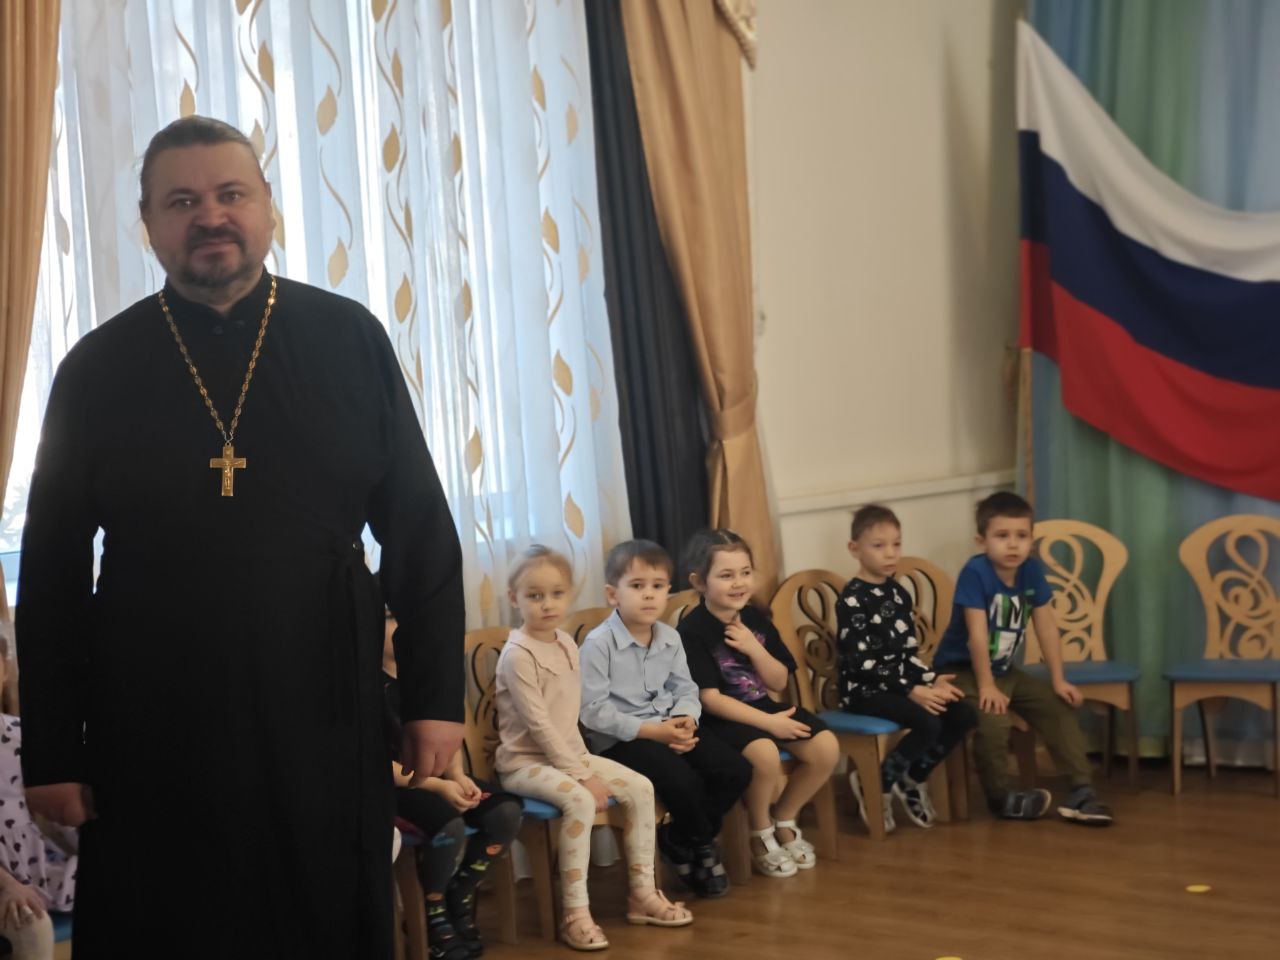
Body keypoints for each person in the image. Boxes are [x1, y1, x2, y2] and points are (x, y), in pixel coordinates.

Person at [15, 116, 466, 958]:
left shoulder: (349, 337)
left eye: (231, 194)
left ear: (267, 208)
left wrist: (437, 699)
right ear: (148, 224)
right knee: (168, 916)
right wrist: (52, 751)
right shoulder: (96, 368)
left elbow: (420, 530)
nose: (210, 216)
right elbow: (51, 575)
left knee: (323, 911)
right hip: (152, 714)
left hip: (323, 706)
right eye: (182, 201)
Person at [494, 546, 691, 951]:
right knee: (581, 801)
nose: (548, 604)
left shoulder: (567, 643)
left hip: (570, 757)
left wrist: (581, 764)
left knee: (641, 787)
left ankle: (642, 894)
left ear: (570, 595)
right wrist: (582, 775)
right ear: (514, 598)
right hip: (524, 764)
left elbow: (569, 719)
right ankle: (576, 914)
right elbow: (540, 726)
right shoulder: (518, 655)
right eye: (535, 595)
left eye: (557, 594)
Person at [579, 540, 751, 899]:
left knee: (735, 769)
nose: (649, 595)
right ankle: (703, 846)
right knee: (682, 779)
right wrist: (653, 732)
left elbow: (685, 687)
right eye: (637, 585)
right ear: (613, 594)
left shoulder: (670, 637)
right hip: (622, 740)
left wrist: (686, 717)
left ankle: (679, 837)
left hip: (669, 726)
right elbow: (593, 712)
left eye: (657, 586)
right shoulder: (598, 644)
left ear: (668, 592)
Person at [932, 492, 1113, 825]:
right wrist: (986, 686)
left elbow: (1046, 627)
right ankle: (1001, 797)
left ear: (1032, 538)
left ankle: (1081, 791)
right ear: (982, 541)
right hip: (962, 672)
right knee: (993, 718)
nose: (1013, 545)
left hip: (1004, 670)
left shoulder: (1031, 570)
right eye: (1002, 536)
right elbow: (977, 637)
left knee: (1057, 705)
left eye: (1021, 535)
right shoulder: (975, 572)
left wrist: (1058, 679)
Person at [677, 530, 840, 879]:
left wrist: (754, 648)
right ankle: (760, 831)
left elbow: (779, 681)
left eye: (745, 572)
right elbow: (710, 699)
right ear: (699, 582)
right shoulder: (691, 631)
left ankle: (785, 818)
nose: (739, 583)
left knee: (825, 748)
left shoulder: (755, 618)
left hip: (763, 706)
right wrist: (770, 724)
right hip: (720, 720)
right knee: (764, 754)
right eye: (726, 575)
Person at [382, 611, 521, 960]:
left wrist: (457, 776)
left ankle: (459, 895)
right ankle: (434, 913)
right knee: (450, 825)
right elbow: (375, 764)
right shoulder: (365, 686)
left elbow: (446, 736)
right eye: (390, 617)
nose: (403, 625)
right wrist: (437, 786)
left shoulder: (424, 677)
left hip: (438, 779)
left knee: (505, 812)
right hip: (396, 788)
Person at [836, 505, 976, 833]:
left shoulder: (898, 593)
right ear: (855, 549)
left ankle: (912, 777)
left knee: (963, 714)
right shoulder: (852, 599)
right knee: (928, 722)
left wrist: (931, 679)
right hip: (864, 691)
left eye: (896, 544)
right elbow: (862, 664)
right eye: (879, 545)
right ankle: (879, 783)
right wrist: (911, 690)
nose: (890, 553)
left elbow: (907, 654)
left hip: (898, 686)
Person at [0, 707, 76, 960]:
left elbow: (51, 805)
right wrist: (8, 884)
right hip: (5, 880)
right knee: (31, 923)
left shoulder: (21, 733)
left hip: (33, 863)